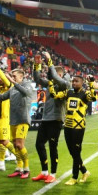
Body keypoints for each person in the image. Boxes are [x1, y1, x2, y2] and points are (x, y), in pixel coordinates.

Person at [0, 67, 35, 179]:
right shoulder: (12, 89)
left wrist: (12, 81)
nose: (12, 78)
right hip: (13, 120)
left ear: (21, 76)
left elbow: (26, 93)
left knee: (20, 145)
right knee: (15, 145)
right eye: (12, 76)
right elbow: (2, 97)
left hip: (23, 120)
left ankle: (27, 168)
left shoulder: (27, 85)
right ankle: (19, 168)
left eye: (14, 76)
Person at [31, 51, 70, 184]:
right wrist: (37, 65)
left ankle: (53, 174)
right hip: (45, 118)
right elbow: (37, 79)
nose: (51, 76)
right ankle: (44, 172)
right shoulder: (50, 84)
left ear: (60, 75)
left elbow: (53, 76)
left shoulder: (65, 85)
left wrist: (49, 61)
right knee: (39, 144)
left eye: (54, 75)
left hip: (56, 119)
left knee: (53, 146)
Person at [50, 74, 96, 185]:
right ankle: (84, 171)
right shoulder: (68, 92)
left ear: (82, 83)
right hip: (67, 126)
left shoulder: (85, 94)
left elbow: (94, 97)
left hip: (78, 127)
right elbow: (54, 95)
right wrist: (50, 83)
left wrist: (91, 83)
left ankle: (74, 177)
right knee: (73, 152)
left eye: (76, 81)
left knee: (76, 152)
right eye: (73, 81)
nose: (74, 83)